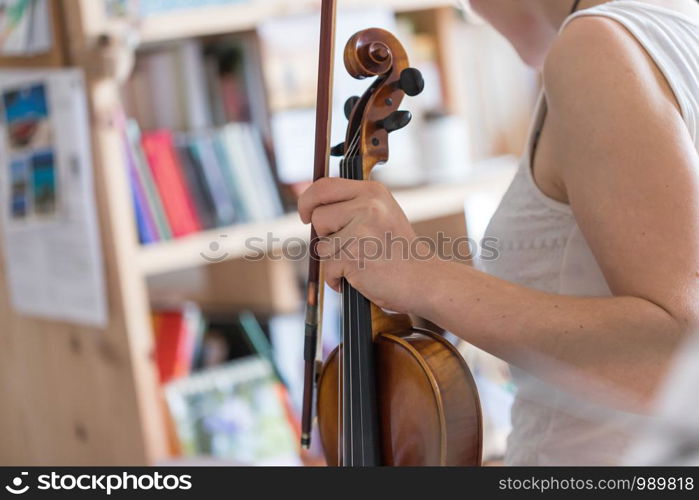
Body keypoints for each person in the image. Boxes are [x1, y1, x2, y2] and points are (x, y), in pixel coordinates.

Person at [298, 0, 699, 465]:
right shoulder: (679, 23)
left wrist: (419, 275)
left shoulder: (596, 47)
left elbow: (678, 356)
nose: (468, 9)